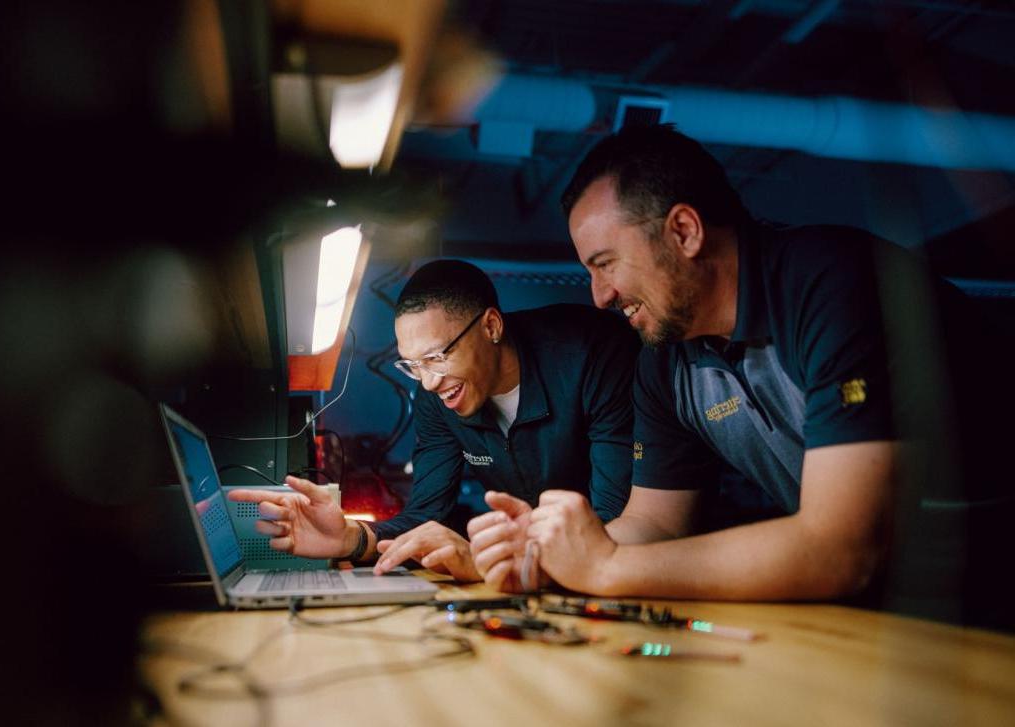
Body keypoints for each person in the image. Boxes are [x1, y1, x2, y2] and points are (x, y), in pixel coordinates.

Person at [467, 124, 1011, 623]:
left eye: (605, 263)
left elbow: (843, 546)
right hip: (902, 613)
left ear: (684, 231)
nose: (599, 295)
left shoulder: (833, 285)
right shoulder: (665, 361)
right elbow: (654, 525)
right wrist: (548, 556)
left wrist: (604, 570)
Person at [229, 259, 640, 583]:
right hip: (545, 581)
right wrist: (351, 538)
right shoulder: (440, 396)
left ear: (491, 326)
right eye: (412, 365)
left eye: (436, 358)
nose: (427, 382)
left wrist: (484, 560)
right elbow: (428, 516)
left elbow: (612, 520)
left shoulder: (591, 353)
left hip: (626, 571)